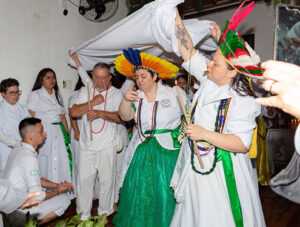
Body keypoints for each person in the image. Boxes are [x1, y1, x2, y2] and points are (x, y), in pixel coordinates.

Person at [170, 2, 265, 227]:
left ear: (233, 71)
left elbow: (241, 143)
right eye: (211, 59)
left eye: (215, 62)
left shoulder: (244, 101)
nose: (208, 64)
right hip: (197, 165)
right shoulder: (209, 80)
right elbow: (188, 50)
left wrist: (203, 133)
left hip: (223, 173)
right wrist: (173, 12)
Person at [113, 48, 186, 227]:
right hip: (142, 149)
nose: (139, 80)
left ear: (155, 76)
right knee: (140, 190)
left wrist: (182, 135)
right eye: (137, 77)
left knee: (164, 192)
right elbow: (125, 117)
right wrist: (125, 101)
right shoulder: (135, 96)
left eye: (143, 76)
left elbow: (189, 117)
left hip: (168, 151)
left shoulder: (174, 93)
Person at [70, 61, 123, 220]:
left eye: (103, 78)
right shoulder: (84, 91)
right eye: (97, 77)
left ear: (109, 77)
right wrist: (92, 102)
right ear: (92, 76)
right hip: (87, 146)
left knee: (107, 182)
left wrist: (99, 113)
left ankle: (103, 214)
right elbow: (73, 112)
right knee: (84, 182)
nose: (99, 81)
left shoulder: (116, 93)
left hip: (107, 145)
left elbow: (120, 117)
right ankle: (83, 215)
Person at [3, 117, 73, 226]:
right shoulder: (28, 158)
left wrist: (57, 185)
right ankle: (28, 225)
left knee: (47, 189)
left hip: (7, 210)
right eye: (41, 131)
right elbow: (37, 196)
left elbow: (37, 179)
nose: (45, 134)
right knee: (65, 199)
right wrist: (58, 191)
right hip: (18, 212)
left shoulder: (18, 148)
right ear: (30, 135)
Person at [27, 68, 72, 185]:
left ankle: (61, 187)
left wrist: (67, 134)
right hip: (44, 130)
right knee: (45, 160)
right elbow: (31, 117)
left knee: (60, 160)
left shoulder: (58, 95)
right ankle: (47, 189)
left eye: (53, 77)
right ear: (41, 80)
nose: (52, 80)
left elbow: (62, 117)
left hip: (58, 130)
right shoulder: (35, 95)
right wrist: (33, 138)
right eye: (48, 77)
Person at [0, 78, 29, 177]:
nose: (16, 96)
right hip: (6, 149)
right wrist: (15, 143)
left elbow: (30, 126)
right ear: (3, 94)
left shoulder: (23, 109)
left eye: (17, 92)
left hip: (23, 149)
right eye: (12, 93)